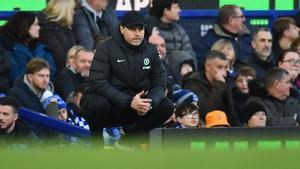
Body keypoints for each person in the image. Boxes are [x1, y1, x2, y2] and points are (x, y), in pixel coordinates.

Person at [80, 11, 173, 137]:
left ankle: (129, 139)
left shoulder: (151, 50)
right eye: (132, 29)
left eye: (140, 29)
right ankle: (97, 141)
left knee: (166, 106)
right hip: (111, 105)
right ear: (122, 29)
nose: (137, 33)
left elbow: (160, 83)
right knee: (96, 103)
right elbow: (98, 82)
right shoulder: (105, 48)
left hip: (137, 107)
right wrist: (129, 102)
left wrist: (148, 104)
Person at [182, 50, 240, 126]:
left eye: (225, 67)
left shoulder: (226, 81)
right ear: (207, 67)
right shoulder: (193, 83)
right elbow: (203, 110)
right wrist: (220, 85)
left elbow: (231, 113)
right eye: (219, 67)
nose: (223, 72)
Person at [0, 11, 56, 81]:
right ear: (25, 26)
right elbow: (16, 77)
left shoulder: (41, 47)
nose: (39, 28)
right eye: (36, 25)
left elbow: (52, 70)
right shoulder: (8, 49)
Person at [145, 0, 197, 74]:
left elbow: (190, 53)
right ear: (166, 11)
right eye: (176, 7)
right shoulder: (148, 30)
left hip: (183, 74)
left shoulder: (179, 30)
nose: (179, 10)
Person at [196, 4, 252, 69]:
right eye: (241, 17)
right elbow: (202, 67)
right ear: (231, 20)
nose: (244, 19)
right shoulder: (206, 42)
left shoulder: (247, 37)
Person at [38, 0, 76, 72]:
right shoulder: (46, 30)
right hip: (58, 73)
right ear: (64, 10)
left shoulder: (66, 27)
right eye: (72, 9)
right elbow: (59, 56)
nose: (74, 12)